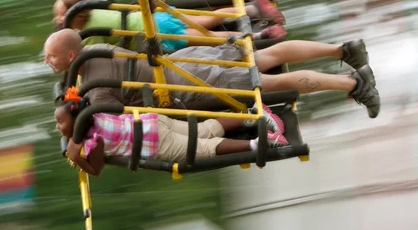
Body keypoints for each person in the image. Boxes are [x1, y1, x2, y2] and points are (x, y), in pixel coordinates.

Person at [44, 29, 381, 118]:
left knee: (268, 83)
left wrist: (77, 108)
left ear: (71, 55)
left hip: (192, 83)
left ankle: (352, 82)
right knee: (266, 56)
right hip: (187, 60)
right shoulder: (95, 50)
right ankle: (343, 49)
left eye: (51, 56)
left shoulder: (91, 81)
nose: (47, 61)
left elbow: (105, 111)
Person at [55, 98, 289, 177]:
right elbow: (121, 111)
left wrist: (77, 158)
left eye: (60, 122)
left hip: (154, 142)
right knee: (205, 129)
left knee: (202, 147)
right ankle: (253, 115)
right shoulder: (96, 114)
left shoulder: (93, 140)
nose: (57, 127)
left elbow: (97, 168)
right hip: (152, 121)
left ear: (76, 123)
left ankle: (260, 142)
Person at [53, 0, 286, 51]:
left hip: (159, 34)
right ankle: (253, 9)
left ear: (78, 14)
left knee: (212, 37)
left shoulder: (87, 34)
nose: (58, 19)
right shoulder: (97, 11)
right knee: (207, 20)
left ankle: (258, 36)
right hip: (157, 18)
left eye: (62, 14)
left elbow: (88, 54)